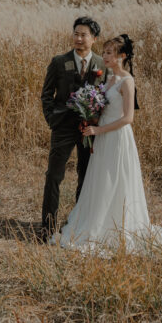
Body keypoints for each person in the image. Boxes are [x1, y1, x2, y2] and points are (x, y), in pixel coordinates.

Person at [53, 34, 162, 253]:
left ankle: (115, 227)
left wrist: (98, 129)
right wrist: (90, 118)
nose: (104, 56)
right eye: (104, 52)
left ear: (122, 56)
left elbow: (127, 118)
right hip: (104, 135)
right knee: (101, 180)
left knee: (115, 179)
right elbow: (104, 109)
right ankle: (96, 221)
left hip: (117, 137)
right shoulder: (108, 78)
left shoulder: (127, 81)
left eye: (109, 53)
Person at [40, 16, 105, 242]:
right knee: (54, 176)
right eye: (75, 33)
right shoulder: (59, 62)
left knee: (85, 177)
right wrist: (51, 119)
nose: (78, 38)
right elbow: (46, 94)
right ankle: (47, 227)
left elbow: (105, 96)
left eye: (83, 34)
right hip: (63, 127)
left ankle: (77, 224)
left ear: (94, 38)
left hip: (89, 131)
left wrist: (98, 123)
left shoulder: (102, 64)